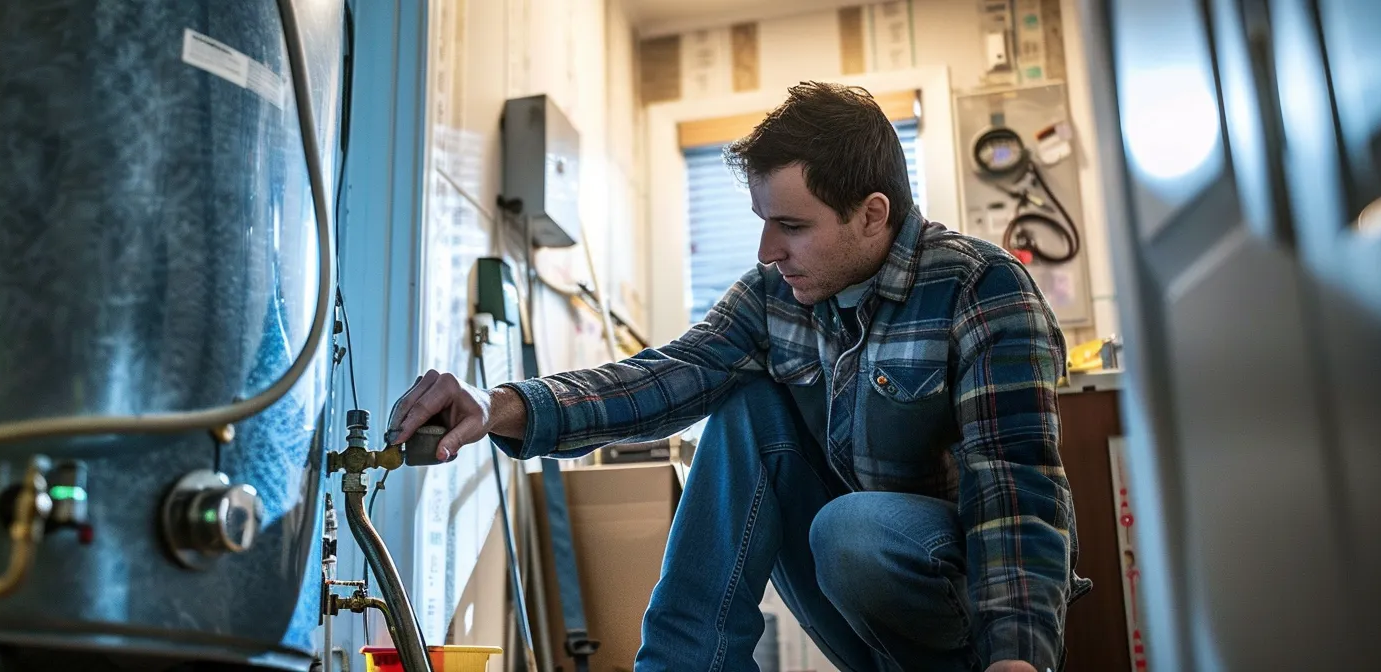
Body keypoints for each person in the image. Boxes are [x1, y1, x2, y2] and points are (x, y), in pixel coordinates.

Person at [385, 81, 1078, 672]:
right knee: (750, 407)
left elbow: (1015, 485)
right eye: (761, 222)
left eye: (790, 225)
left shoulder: (982, 288)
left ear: (872, 215)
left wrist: (1014, 655)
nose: (767, 250)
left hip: (966, 617)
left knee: (852, 528)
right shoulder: (775, 296)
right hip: (854, 594)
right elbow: (666, 378)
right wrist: (500, 402)